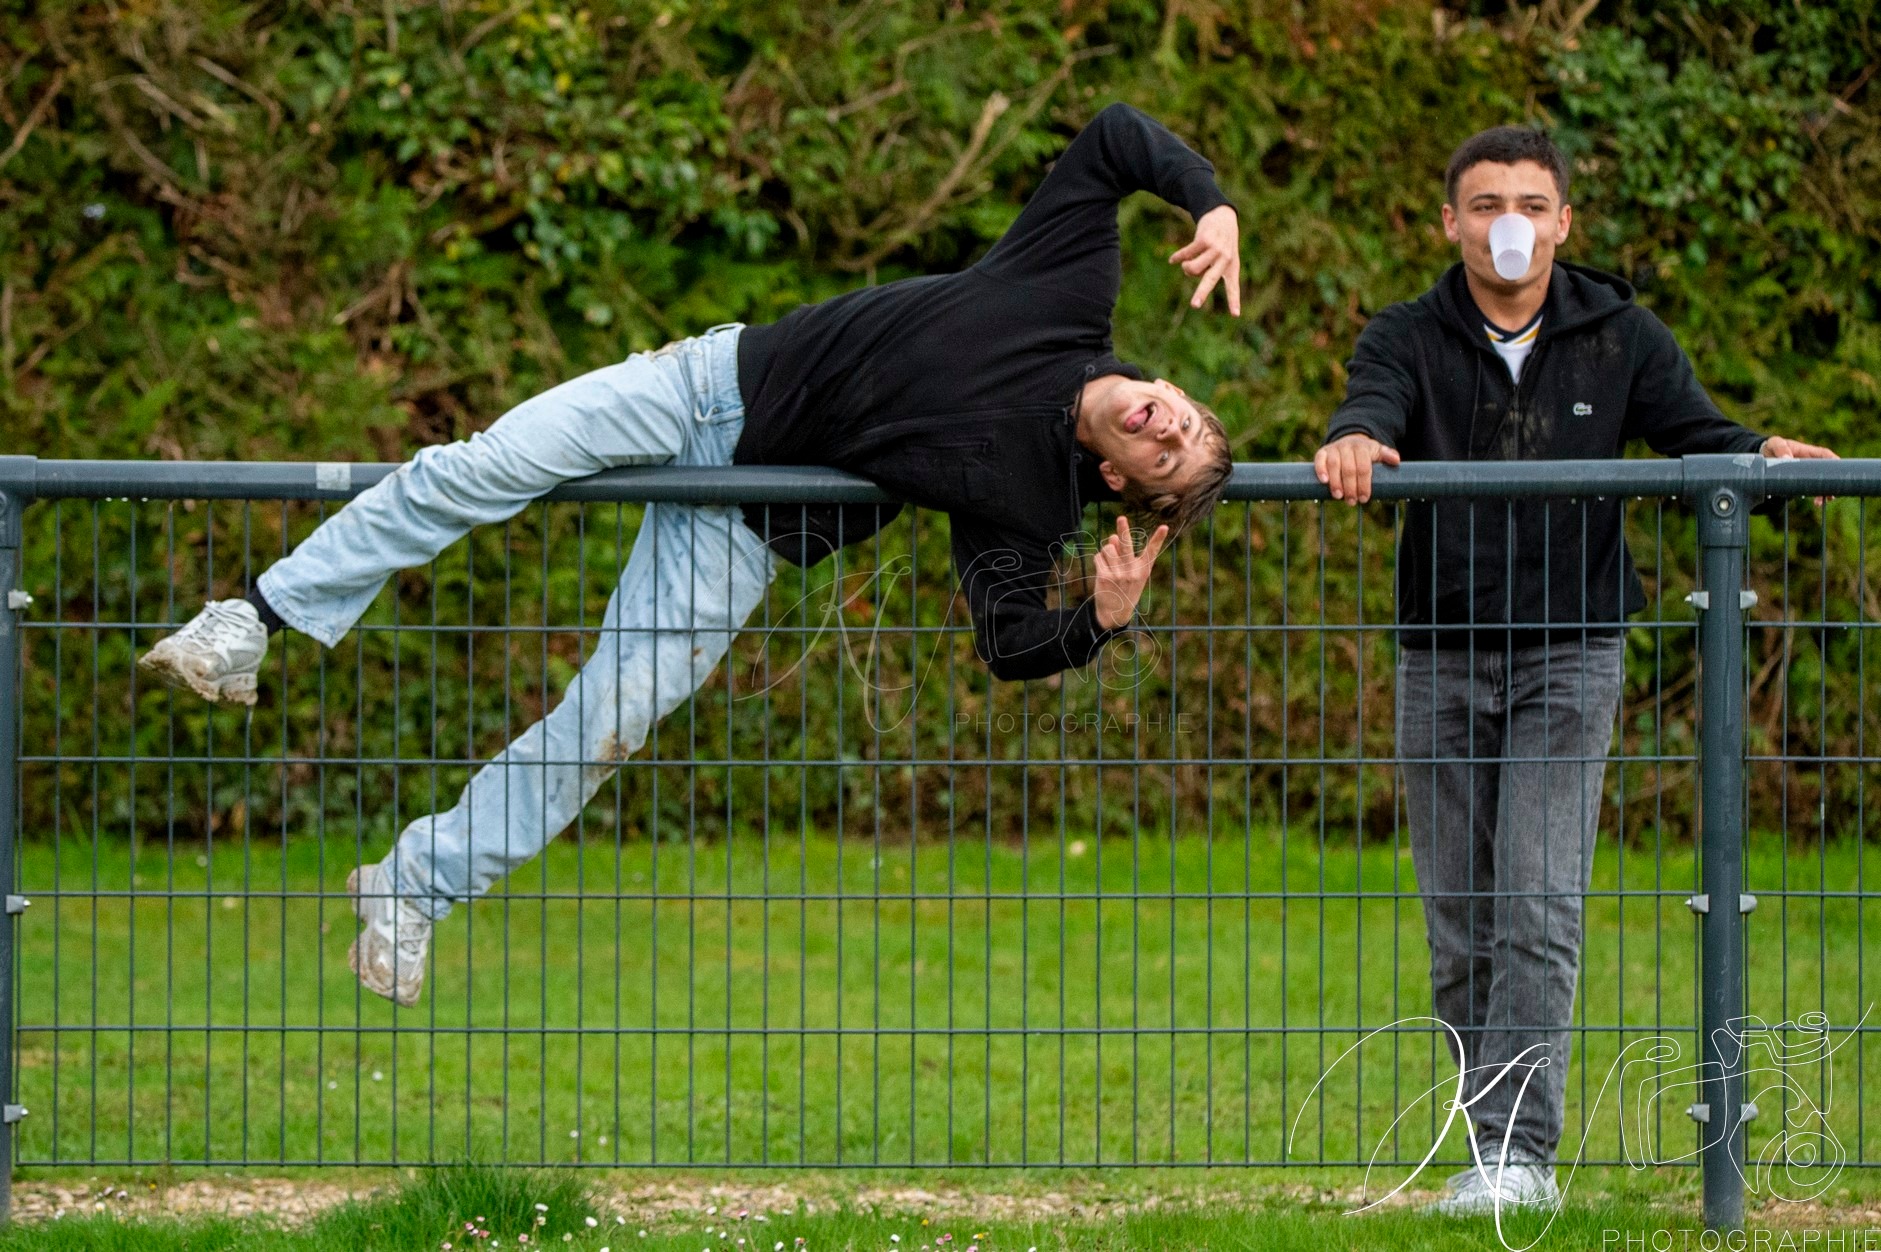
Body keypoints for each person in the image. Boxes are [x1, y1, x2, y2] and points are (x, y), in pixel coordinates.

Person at [140, 102, 1241, 1008]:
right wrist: (1214, 201)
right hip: (705, 387)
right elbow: (1112, 137)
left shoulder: (1024, 503)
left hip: (743, 532)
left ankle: (413, 887)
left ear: (1120, 485)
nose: (1167, 429)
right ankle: (254, 622)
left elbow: (1006, 641)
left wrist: (1096, 621)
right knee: (474, 468)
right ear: (1171, 393)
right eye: (1183, 421)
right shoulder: (1066, 287)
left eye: (1168, 461)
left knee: (613, 723)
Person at [1313, 125, 1837, 1215]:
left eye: (1532, 203)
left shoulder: (1619, 334)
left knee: (1537, 905)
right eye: (1488, 202)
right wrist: (1355, 441)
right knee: (1460, 919)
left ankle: (1518, 1158)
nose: (1512, 222)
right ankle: (1488, 1141)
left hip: (1571, 650)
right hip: (1442, 652)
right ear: (1450, 221)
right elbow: (1369, 410)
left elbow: (1704, 435)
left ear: (1564, 222)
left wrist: (1768, 457)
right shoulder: (1405, 333)